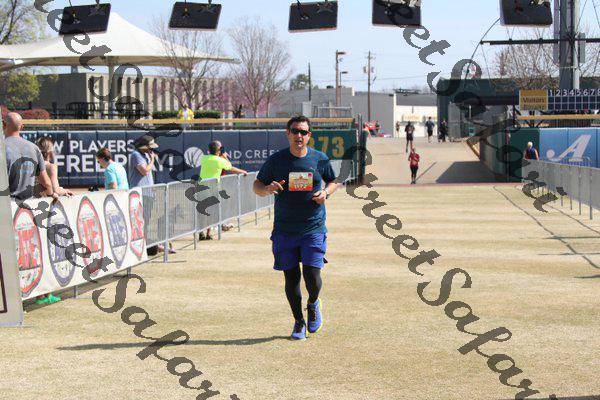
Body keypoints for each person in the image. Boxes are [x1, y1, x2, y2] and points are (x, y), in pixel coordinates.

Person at [253, 115, 338, 341]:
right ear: (287, 133)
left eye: (303, 132)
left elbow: (333, 181)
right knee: (291, 279)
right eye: (295, 131)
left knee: (312, 275)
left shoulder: (319, 158)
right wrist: (267, 189)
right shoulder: (276, 160)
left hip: (313, 227)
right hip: (284, 229)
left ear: (309, 135)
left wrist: (325, 193)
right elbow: (257, 185)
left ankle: (313, 303)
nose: (298, 135)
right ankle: (299, 321)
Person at [128, 135, 173, 254]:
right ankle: (141, 245)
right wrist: (152, 159)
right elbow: (144, 171)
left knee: (147, 220)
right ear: (143, 146)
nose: (152, 149)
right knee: (140, 221)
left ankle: (148, 245)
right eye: (150, 147)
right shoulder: (136, 155)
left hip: (148, 193)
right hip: (140, 193)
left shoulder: (145, 155)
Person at [198, 140, 248, 239]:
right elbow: (230, 167)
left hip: (201, 188)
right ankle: (208, 234)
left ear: (209, 150)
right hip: (213, 189)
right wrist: (243, 171)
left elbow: (212, 158)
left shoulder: (203, 158)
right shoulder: (220, 160)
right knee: (211, 212)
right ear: (219, 151)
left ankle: (201, 233)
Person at [3, 113, 56, 202]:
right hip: (27, 205)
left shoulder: (2, 147)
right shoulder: (34, 148)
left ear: (3, 125)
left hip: (6, 205)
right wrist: (51, 195)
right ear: (22, 127)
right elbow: (46, 183)